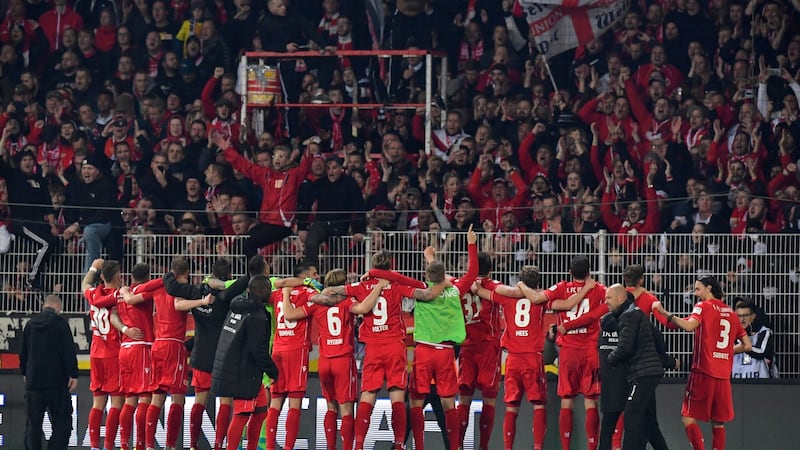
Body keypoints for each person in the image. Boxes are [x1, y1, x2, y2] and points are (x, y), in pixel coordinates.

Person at [319, 251, 453, 450]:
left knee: (368, 395)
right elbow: (426, 294)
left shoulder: (360, 286)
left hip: (372, 347)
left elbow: (330, 292)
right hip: (394, 347)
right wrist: (445, 283)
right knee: (397, 397)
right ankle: (399, 444)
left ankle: (359, 445)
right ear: (390, 265)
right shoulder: (397, 285)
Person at [371, 225, 479, 450]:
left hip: (424, 352)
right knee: (449, 403)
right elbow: (472, 273)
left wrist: (374, 273)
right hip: (446, 353)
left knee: (416, 403)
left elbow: (395, 276)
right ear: (445, 276)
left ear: (428, 275)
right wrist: (471, 245)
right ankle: (455, 446)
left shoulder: (421, 288)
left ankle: (418, 446)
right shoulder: (456, 289)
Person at [479, 269, 595, 450]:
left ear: (521, 281)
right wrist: (586, 289)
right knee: (539, 405)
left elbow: (481, 291)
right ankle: (538, 447)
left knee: (511, 407)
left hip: (512, 360)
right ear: (538, 283)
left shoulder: (506, 297)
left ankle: (508, 447)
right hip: (533, 358)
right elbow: (567, 304)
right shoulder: (542, 300)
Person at [281, 269, 389, 450]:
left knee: (331, 408)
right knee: (346, 411)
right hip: (343, 360)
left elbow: (290, 315)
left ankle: (330, 447)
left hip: (324, 362)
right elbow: (363, 308)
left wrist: (285, 294)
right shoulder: (347, 301)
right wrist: (378, 287)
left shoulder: (316, 303)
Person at [653, 276, 753, 450]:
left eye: (698, 289)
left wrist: (664, 313)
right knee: (718, 424)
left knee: (688, 417)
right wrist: (726, 351)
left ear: (708, 288)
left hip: (703, 372)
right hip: (723, 376)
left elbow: (689, 326)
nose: (695, 293)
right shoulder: (730, 312)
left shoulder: (702, 307)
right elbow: (748, 346)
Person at [519, 255, 608, 450]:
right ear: (590, 272)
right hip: (590, 351)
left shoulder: (561, 288)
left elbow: (537, 299)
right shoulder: (599, 289)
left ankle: (566, 447)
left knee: (567, 401)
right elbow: (610, 303)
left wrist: (522, 286)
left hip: (568, 352)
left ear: (569, 272)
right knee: (590, 402)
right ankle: (593, 446)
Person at [143, 257, 214, 450]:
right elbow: (178, 305)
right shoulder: (180, 289)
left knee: (157, 396)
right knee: (177, 397)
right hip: (173, 346)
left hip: (157, 345)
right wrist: (201, 301)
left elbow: (136, 295)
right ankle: (170, 445)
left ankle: (149, 445)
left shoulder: (159, 286)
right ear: (187, 274)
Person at [214, 132, 312, 261]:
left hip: (282, 225)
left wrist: (309, 149)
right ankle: (255, 273)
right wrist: (227, 150)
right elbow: (244, 166)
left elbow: (305, 166)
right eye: (275, 156)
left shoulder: (294, 175)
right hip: (266, 223)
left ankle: (256, 275)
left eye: (281, 156)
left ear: (288, 160)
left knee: (247, 244)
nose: (277, 159)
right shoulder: (267, 175)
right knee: (240, 244)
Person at [212, 275, 280, 450]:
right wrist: (273, 371)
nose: (271, 292)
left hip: (241, 368)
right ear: (263, 291)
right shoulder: (257, 316)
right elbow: (257, 350)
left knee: (260, 412)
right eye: (269, 289)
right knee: (241, 415)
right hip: (242, 372)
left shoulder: (238, 306)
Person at [605, 284, 669, 450]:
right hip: (649, 371)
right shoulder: (637, 313)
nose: (606, 302)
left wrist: (609, 359)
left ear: (620, 298)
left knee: (631, 417)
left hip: (643, 373)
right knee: (649, 423)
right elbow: (658, 337)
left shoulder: (628, 316)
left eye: (609, 298)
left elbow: (625, 347)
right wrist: (664, 359)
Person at [264, 263, 320, 450]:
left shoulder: (278, 292)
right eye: (314, 273)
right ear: (305, 276)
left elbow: (264, 294)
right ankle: (288, 447)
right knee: (294, 403)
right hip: (297, 351)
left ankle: (270, 447)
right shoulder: (309, 293)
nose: (317, 277)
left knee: (276, 401)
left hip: (278, 351)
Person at [83, 259, 134, 450]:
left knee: (97, 402)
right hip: (113, 353)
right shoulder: (117, 296)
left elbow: (85, 284)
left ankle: (94, 445)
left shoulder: (93, 294)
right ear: (119, 276)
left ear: (102, 277)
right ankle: (109, 445)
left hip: (95, 353)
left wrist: (94, 267)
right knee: (116, 402)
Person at [20, 294, 79, 450]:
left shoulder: (30, 324)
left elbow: (23, 352)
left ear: (44, 306)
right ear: (57, 307)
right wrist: (73, 374)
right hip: (57, 384)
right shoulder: (61, 324)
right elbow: (68, 351)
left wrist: (25, 373)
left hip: (34, 382)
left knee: (33, 426)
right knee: (62, 424)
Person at [0, 149, 59, 291]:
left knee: (56, 241)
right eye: (24, 160)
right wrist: (5, 138)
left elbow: (48, 205)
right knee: (46, 243)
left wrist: (53, 225)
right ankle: (32, 278)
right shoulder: (14, 176)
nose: (27, 162)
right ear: (19, 163)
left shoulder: (40, 180)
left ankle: (50, 280)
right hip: (21, 222)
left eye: (30, 159)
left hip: (39, 222)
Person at [115, 263, 159, 450]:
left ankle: (124, 444)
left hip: (124, 348)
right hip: (141, 346)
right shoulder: (144, 291)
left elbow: (112, 315)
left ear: (131, 276)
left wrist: (124, 329)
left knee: (129, 399)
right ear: (148, 276)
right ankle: (141, 444)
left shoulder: (119, 293)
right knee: (144, 398)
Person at [732, 299, 778, 379]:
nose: (742, 319)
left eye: (745, 315)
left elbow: (761, 352)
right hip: (737, 382)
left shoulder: (764, 331)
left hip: (761, 383)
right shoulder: (732, 334)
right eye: (739, 316)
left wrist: (743, 347)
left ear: (753, 316)